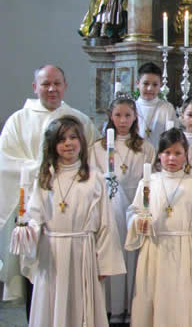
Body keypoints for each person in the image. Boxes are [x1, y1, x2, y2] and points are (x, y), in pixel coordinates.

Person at [0, 65, 96, 304]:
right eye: (45, 84)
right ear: (35, 87)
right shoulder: (18, 120)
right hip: (28, 206)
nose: (52, 89)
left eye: (57, 83)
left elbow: (93, 159)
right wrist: (40, 169)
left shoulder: (79, 120)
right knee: (32, 267)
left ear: (65, 86)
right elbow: (4, 163)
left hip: (70, 208)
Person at [23, 116, 125, 327]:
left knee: (80, 306)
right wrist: (26, 231)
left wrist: (104, 263)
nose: (68, 143)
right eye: (61, 139)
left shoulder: (94, 178)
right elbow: (34, 217)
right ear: (53, 145)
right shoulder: (45, 177)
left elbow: (106, 223)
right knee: (52, 305)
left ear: (81, 141)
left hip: (83, 251)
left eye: (73, 137)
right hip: (51, 253)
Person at [125, 128, 192, 327]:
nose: (172, 158)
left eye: (177, 153)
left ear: (186, 155)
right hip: (153, 249)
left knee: (179, 302)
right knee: (150, 298)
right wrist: (138, 221)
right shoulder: (148, 182)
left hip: (183, 251)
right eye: (167, 152)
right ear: (159, 155)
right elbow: (133, 211)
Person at [89, 97, 155, 324]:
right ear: (110, 116)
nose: (123, 120)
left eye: (128, 115)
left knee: (132, 258)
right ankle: (111, 307)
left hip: (134, 208)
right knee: (111, 251)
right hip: (108, 208)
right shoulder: (97, 148)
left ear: (135, 117)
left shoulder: (145, 148)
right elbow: (92, 181)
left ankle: (130, 306)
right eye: (118, 115)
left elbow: (149, 181)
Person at [135, 62, 177, 150]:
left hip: (159, 154)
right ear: (137, 83)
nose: (150, 88)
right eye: (146, 83)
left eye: (155, 85)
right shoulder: (132, 107)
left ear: (160, 85)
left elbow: (172, 137)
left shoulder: (167, 108)